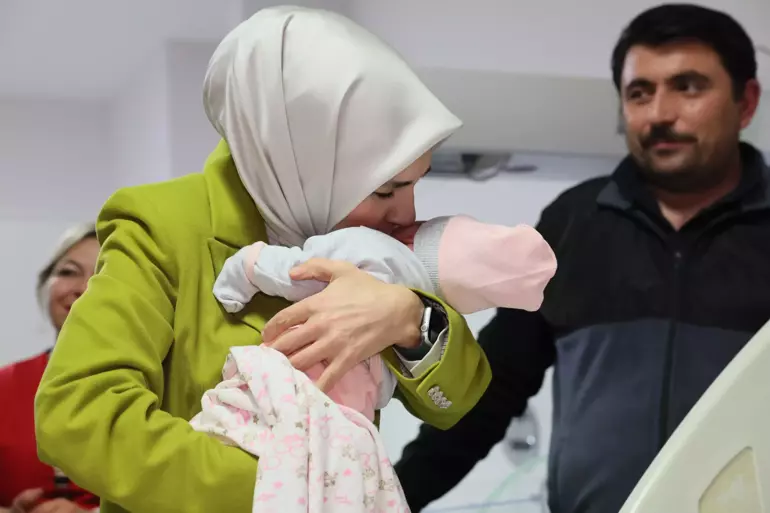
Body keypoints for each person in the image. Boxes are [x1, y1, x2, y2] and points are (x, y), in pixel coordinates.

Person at [33, 7, 492, 513]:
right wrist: (285, 490)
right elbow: (78, 414)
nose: (406, 212)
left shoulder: (363, 240)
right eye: (385, 189)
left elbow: (458, 404)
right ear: (305, 160)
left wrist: (410, 318)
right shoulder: (164, 225)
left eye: (414, 184)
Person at [394, 4, 768, 513]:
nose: (660, 114)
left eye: (688, 87)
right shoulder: (574, 222)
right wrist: (388, 498)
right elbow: (495, 390)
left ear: (746, 102)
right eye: (640, 93)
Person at [212, 215, 557, 421]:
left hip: (278, 389)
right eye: (387, 190)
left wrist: (246, 269)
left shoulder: (367, 250)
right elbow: (383, 393)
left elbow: (293, 272)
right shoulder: (417, 304)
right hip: (336, 424)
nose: (405, 211)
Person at [0, 224, 100, 513]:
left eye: (103, 275)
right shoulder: (4, 386)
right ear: (45, 285)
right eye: (69, 272)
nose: (82, 288)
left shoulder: (162, 389)